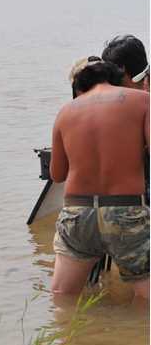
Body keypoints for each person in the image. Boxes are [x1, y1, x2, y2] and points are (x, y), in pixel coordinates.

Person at [50, 59, 149, 301]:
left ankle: (68, 337)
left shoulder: (65, 112)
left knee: (62, 298)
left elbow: (57, 175)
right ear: (116, 80)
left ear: (80, 87)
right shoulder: (143, 100)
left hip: (78, 213)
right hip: (125, 213)